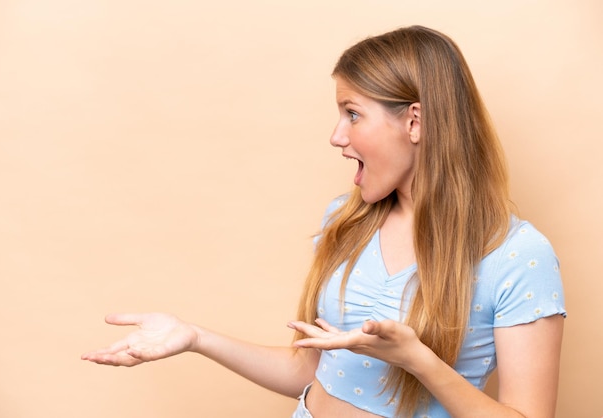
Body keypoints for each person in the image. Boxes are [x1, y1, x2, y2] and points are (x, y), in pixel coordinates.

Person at [81, 25, 566, 418]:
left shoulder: (518, 255)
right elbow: (309, 369)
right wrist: (195, 337)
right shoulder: (345, 222)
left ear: (414, 122)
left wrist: (418, 360)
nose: (336, 136)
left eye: (352, 114)